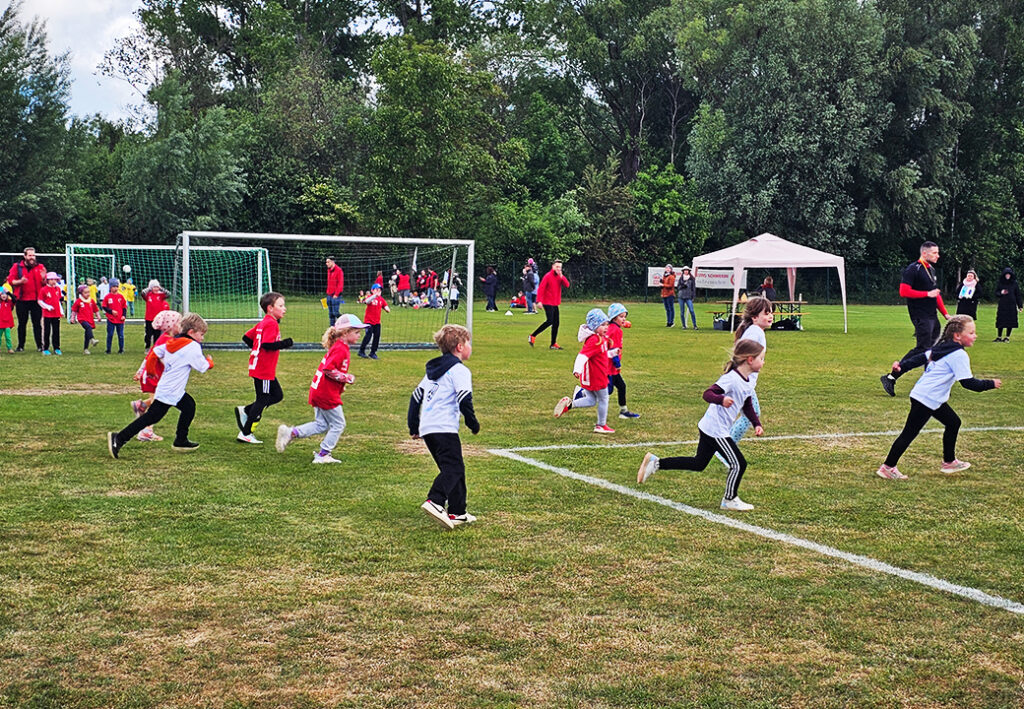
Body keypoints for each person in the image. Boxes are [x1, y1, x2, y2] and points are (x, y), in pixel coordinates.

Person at [637, 338, 766, 511]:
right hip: (715, 430)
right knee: (739, 464)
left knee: (699, 463)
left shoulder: (748, 381)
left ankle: (656, 463)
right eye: (761, 358)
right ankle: (729, 499)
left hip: (710, 427)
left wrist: (756, 423)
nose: (763, 363)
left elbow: (747, 404)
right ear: (750, 359)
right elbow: (708, 393)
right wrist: (721, 399)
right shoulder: (731, 379)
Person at [876, 315, 1000, 479]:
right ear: (957, 335)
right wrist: (990, 383)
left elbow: (920, 358)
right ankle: (888, 467)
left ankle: (949, 462)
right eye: (971, 333)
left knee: (953, 422)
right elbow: (968, 383)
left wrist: (901, 367)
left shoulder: (943, 348)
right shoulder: (958, 355)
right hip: (926, 398)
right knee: (909, 433)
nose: (975, 336)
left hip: (929, 397)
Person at [107, 313, 213, 458]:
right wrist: (210, 361)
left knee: (189, 406)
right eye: (201, 334)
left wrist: (150, 371)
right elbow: (203, 367)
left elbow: (154, 353)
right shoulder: (192, 346)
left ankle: (181, 440)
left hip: (170, 388)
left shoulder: (171, 341)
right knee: (151, 417)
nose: (202, 338)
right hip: (171, 391)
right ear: (191, 333)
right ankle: (118, 438)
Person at [408, 324, 480, 530]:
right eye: (469, 343)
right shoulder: (459, 370)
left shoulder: (432, 372)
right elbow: (465, 399)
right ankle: (435, 500)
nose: (470, 347)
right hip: (444, 427)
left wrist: (414, 426)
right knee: (453, 467)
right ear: (459, 347)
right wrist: (472, 423)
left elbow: (416, 398)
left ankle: (458, 511)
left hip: (429, 428)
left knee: (454, 468)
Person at [276, 314, 368, 464]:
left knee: (321, 424)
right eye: (356, 332)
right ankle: (323, 454)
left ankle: (291, 433)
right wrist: (346, 378)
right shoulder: (340, 349)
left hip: (320, 391)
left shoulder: (339, 347)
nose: (359, 336)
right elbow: (328, 370)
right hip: (326, 394)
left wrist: (340, 386)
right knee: (338, 424)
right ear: (345, 333)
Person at [880, 241, 950, 397]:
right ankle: (891, 376)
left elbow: (935, 294)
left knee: (932, 350)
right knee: (923, 349)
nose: (938, 255)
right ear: (924, 253)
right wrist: (926, 295)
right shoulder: (913, 269)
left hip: (933, 316)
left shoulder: (931, 270)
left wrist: (945, 314)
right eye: (935, 253)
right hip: (921, 316)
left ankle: (929, 383)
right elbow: (903, 291)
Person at [236, 292, 294, 443]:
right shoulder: (271, 323)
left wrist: (257, 351)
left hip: (261, 367)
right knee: (262, 399)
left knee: (277, 395)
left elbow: (247, 337)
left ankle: (247, 410)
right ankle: (246, 432)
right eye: (280, 306)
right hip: (263, 369)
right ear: (270, 308)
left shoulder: (264, 322)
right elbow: (267, 345)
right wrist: (285, 343)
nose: (284, 309)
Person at [552, 308, 616, 434]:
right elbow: (582, 356)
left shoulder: (600, 338)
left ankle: (570, 405)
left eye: (607, 324)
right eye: (602, 325)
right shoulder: (594, 340)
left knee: (592, 400)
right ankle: (601, 425)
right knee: (604, 399)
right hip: (596, 377)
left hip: (592, 377)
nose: (606, 327)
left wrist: (613, 352)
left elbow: (601, 354)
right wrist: (577, 369)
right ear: (594, 326)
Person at [130, 309, 183, 442]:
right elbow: (156, 358)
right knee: (157, 405)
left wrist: (140, 370)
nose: (182, 325)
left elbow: (150, 355)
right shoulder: (165, 340)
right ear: (171, 325)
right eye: (179, 322)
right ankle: (146, 431)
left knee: (160, 400)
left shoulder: (166, 339)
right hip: (152, 375)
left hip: (152, 374)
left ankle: (141, 406)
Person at [6, 247, 47, 352]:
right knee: (22, 323)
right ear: (25, 256)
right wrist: (20, 281)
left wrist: (44, 279)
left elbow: (45, 284)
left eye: (33, 255)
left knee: (37, 323)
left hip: (36, 300)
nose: (32, 257)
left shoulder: (40, 267)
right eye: (30, 255)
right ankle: (20, 346)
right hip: (22, 300)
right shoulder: (17, 267)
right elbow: (10, 281)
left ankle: (39, 345)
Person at [606, 303, 640, 419]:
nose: (624, 319)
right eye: (621, 316)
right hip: (609, 367)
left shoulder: (611, 328)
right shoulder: (615, 331)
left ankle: (623, 411)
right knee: (607, 391)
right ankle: (582, 393)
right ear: (614, 318)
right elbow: (613, 350)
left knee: (621, 386)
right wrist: (617, 363)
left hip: (609, 366)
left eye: (624, 316)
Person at [529, 260, 570, 349]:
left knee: (556, 323)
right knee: (550, 321)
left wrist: (562, 276)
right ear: (553, 267)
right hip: (547, 302)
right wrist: (539, 301)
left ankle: (553, 343)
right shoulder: (548, 276)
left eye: (560, 267)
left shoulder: (560, 277)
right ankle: (533, 335)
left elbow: (567, 285)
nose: (558, 269)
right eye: (557, 267)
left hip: (555, 303)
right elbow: (541, 289)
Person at [358, 282, 390, 359]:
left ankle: (373, 352)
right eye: (377, 290)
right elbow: (366, 301)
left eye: (380, 290)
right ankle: (361, 351)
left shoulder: (381, 299)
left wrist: (386, 308)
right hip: (369, 321)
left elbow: (387, 308)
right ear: (372, 290)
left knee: (377, 337)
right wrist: (374, 296)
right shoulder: (370, 297)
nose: (379, 291)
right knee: (368, 336)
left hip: (377, 322)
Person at [38, 272, 64, 355]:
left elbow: (58, 301)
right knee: (47, 331)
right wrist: (47, 306)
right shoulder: (43, 289)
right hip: (47, 314)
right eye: (51, 279)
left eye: (55, 279)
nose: (53, 281)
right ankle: (45, 348)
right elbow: (40, 301)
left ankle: (57, 348)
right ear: (47, 280)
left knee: (56, 331)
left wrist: (61, 311)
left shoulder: (58, 289)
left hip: (56, 314)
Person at [994, 267, 1022, 342]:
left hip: (1011, 305)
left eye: (1009, 275)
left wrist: (1020, 306)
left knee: (1010, 321)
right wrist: (1001, 293)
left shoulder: (1014, 283)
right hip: (1002, 304)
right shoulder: (1000, 283)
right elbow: (996, 293)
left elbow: (1018, 295)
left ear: (1011, 275)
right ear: (1004, 275)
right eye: (1006, 275)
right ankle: (999, 337)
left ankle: (1007, 337)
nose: (1007, 276)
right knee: (1000, 320)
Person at [70, 285, 99, 354]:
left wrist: (98, 316)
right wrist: (72, 318)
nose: (88, 294)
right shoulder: (78, 301)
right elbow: (74, 310)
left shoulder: (91, 301)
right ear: (81, 293)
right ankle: (92, 339)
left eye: (88, 292)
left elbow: (96, 309)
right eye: (85, 293)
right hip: (82, 319)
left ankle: (86, 349)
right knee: (88, 327)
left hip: (90, 319)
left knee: (87, 333)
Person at [102, 278, 128, 354]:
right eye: (114, 286)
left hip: (120, 319)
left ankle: (121, 349)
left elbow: (124, 307)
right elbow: (104, 306)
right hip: (111, 319)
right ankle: (108, 349)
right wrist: (111, 311)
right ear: (110, 287)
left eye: (117, 286)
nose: (115, 288)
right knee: (110, 334)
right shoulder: (107, 297)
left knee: (121, 335)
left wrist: (124, 315)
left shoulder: (121, 297)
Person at [142, 280, 170, 349]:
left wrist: (160, 288)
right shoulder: (148, 295)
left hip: (158, 319)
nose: (156, 289)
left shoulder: (161, 295)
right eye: (154, 287)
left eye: (157, 287)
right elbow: (143, 293)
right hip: (149, 318)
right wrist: (150, 288)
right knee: (148, 334)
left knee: (157, 334)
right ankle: (147, 346)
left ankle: (155, 347)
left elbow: (168, 294)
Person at [676, 265, 698, 330]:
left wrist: (693, 296)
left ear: (689, 271)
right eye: (685, 270)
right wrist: (682, 286)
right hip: (681, 296)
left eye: (687, 270)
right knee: (682, 312)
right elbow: (678, 287)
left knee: (691, 310)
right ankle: (683, 325)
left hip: (688, 296)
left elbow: (693, 288)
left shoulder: (692, 279)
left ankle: (695, 325)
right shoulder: (681, 278)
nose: (686, 271)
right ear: (683, 271)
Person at [325, 257, 344, 325]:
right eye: (326, 262)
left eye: (328, 262)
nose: (326, 264)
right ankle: (332, 329)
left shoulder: (339, 270)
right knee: (331, 314)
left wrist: (336, 294)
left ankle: (343, 320)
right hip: (329, 294)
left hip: (335, 295)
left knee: (335, 312)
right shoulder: (329, 270)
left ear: (333, 262)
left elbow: (340, 283)